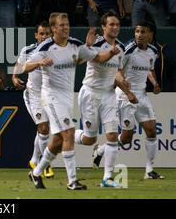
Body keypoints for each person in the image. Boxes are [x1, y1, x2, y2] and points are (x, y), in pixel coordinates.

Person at [24, 12, 120, 190]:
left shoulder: (75, 45)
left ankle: (36, 172)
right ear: (53, 28)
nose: (66, 28)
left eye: (67, 24)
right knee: (68, 132)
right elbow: (25, 66)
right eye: (61, 25)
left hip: (67, 97)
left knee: (58, 141)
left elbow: (97, 58)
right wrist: (40, 63)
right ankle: (72, 181)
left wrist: (110, 53)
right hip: (50, 96)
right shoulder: (46, 46)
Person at [93, 20, 165, 180]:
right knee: (126, 138)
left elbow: (149, 69)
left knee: (152, 131)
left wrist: (154, 83)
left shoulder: (153, 51)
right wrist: (125, 86)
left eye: (143, 32)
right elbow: (117, 71)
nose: (139, 35)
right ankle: (101, 150)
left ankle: (149, 171)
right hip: (125, 96)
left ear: (150, 35)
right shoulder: (126, 50)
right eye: (137, 31)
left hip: (142, 95)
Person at [73, 10, 132, 188]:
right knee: (90, 139)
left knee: (113, 135)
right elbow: (76, 61)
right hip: (90, 93)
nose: (115, 27)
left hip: (108, 94)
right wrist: (87, 46)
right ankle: (66, 135)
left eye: (117, 24)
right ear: (103, 27)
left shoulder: (121, 48)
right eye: (111, 24)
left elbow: (118, 73)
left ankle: (107, 178)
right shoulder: (95, 44)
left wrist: (126, 88)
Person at [12, 21, 54, 179]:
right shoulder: (28, 50)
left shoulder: (57, 50)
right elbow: (19, 65)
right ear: (36, 35)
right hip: (33, 95)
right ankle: (45, 164)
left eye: (47, 33)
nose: (44, 36)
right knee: (43, 128)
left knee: (44, 130)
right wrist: (15, 77)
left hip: (50, 95)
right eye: (41, 33)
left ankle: (34, 160)